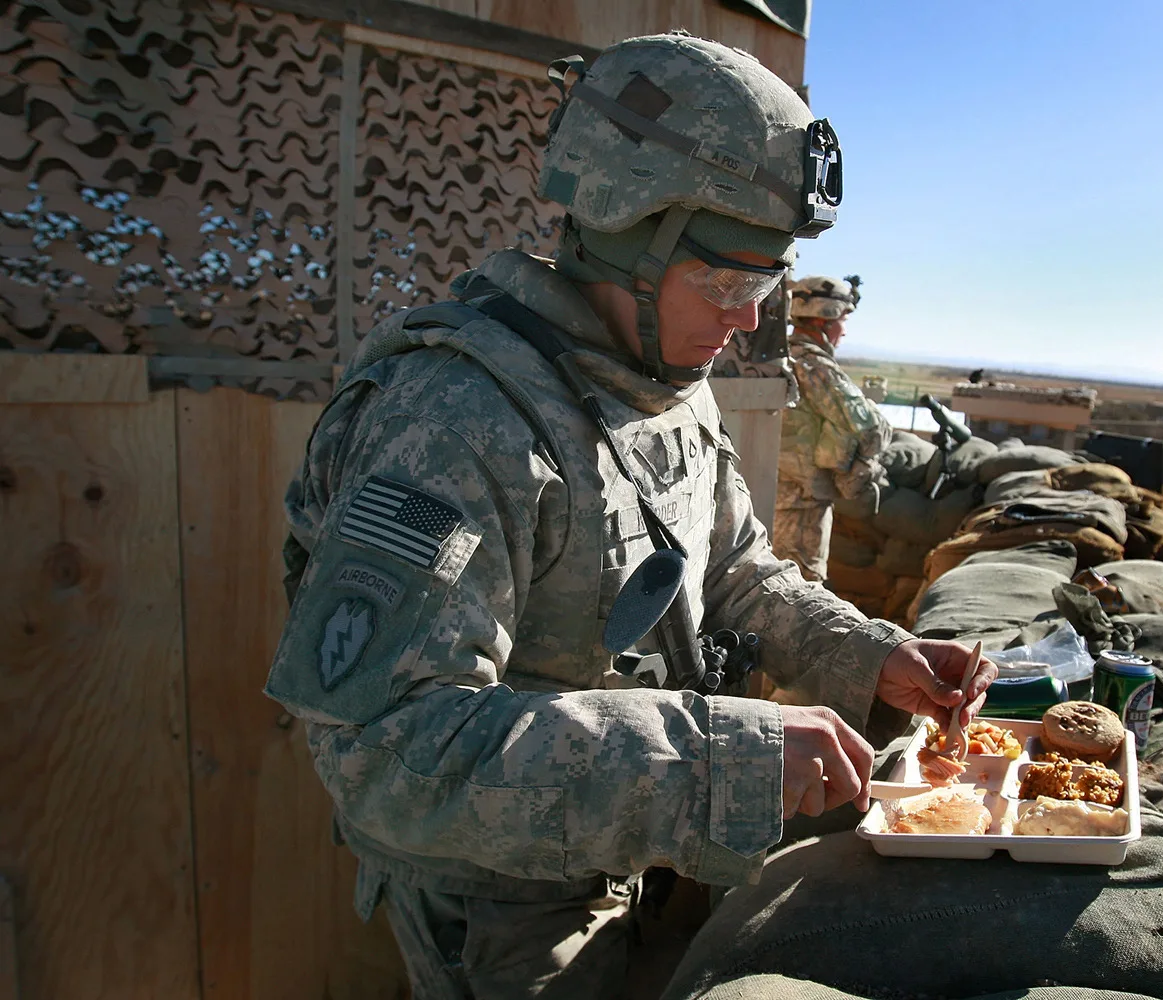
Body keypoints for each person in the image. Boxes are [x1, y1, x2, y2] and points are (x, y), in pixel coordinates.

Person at [264, 32, 994, 1000]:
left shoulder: (662, 382)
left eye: (764, 285)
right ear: (620, 231)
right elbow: (390, 750)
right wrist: (719, 761)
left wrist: (869, 654)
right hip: (507, 908)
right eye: (726, 282)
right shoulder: (453, 418)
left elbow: (734, 566)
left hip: (638, 849)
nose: (745, 320)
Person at [774, 275, 892, 581]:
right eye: (842, 318)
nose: (844, 330)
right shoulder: (813, 365)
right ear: (825, 319)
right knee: (802, 588)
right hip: (802, 506)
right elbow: (871, 428)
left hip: (774, 496)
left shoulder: (777, 358)